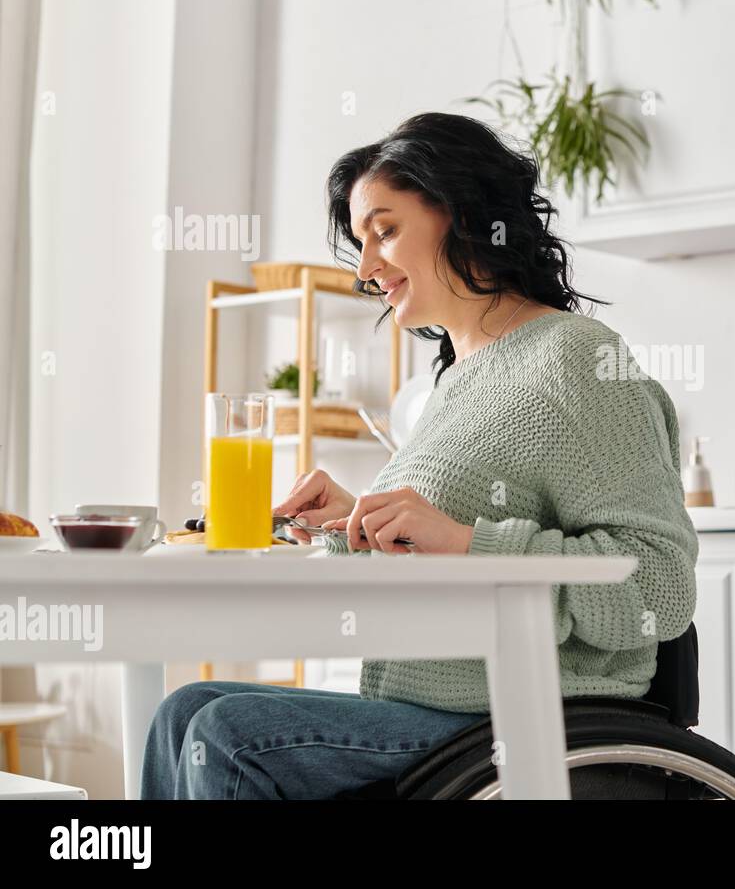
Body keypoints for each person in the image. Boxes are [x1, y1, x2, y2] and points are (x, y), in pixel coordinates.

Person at [141, 113, 698, 799]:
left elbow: (661, 589)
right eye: (361, 242)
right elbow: (439, 553)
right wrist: (354, 523)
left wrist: (468, 541)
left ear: (461, 213)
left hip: (520, 716)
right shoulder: (454, 382)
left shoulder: (576, 359)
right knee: (180, 714)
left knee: (226, 735)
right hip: (431, 709)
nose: (368, 269)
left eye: (386, 230)